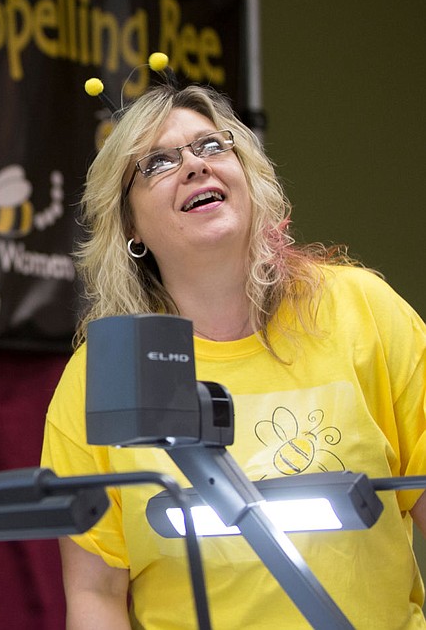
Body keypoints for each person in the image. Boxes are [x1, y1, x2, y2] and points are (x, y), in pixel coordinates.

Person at [41, 74, 426, 628]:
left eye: (211, 146)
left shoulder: (361, 310)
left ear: (249, 177)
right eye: (157, 163)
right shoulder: (104, 375)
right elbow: (96, 594)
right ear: (129, 226)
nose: (195, 165)